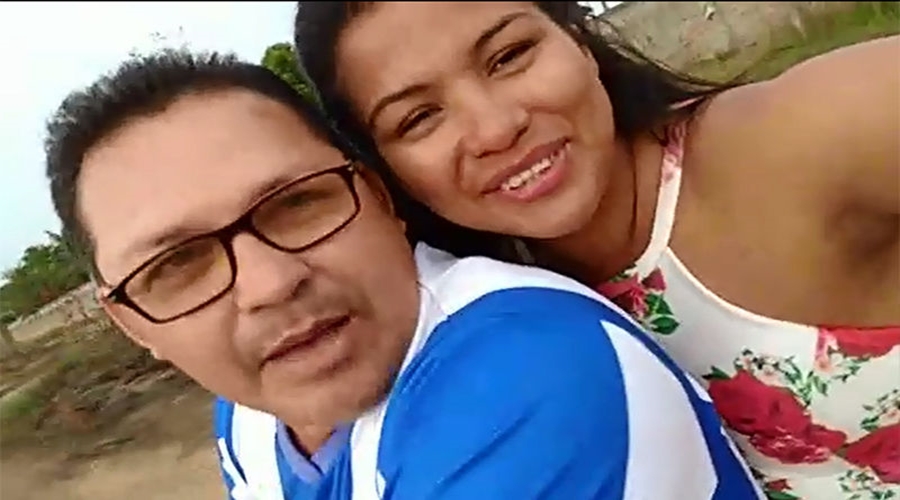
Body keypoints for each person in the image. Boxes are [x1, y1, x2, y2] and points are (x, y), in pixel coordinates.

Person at [43, 49, 763, 500]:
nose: (269, 285)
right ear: (132, 324)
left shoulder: (532, 372)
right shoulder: (251, 417)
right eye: (177, 265)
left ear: (380, 200)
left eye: (297, 204)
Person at [291, 2, 900, 498]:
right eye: (420, 118)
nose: (496, 128)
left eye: (509, 55)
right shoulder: (488, 318)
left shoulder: (798, 140)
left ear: (579, 40)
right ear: (386, 174)